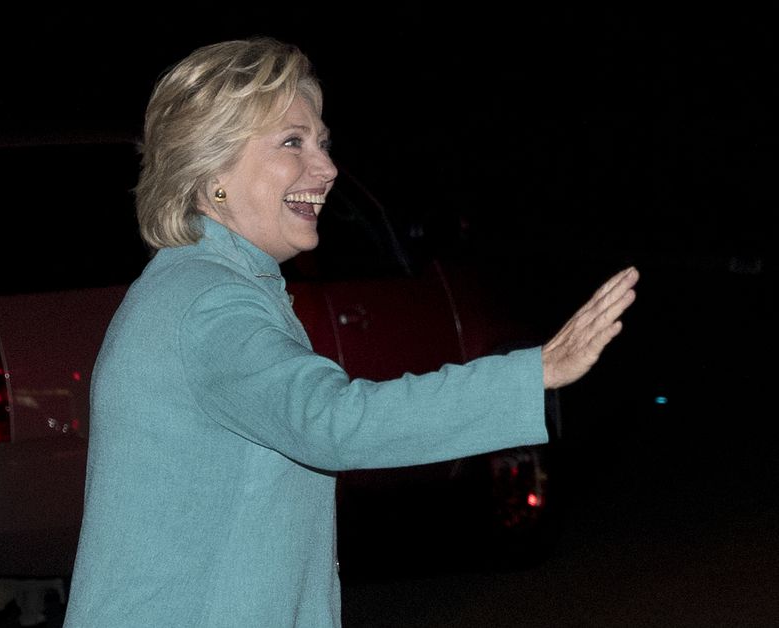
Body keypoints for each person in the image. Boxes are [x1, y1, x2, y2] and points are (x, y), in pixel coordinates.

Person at [63, 37, 638, 627]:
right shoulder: (211, 300)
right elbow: (331, 422)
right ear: (213, 170)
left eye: (323, 142)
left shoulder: (198, 284)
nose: (328, 167)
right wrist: (532, 373)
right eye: (292, 142)